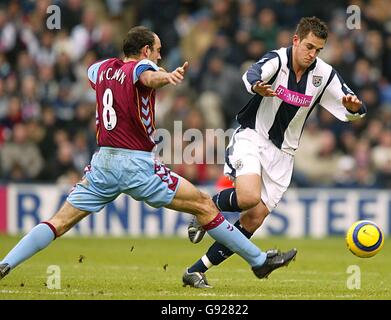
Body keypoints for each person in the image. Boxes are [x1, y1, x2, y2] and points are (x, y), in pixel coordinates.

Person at [0, 26, 297, 284]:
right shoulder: (143, 69)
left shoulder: (101, 68)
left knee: (59, 222)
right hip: (136, 163)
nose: (159, 56)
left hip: (102, 163)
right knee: (204, 205)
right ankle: (259, 262)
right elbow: (146, 76)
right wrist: (165, 77)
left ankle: (7, 263)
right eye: (157, 51)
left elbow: (94, 74)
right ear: (145, 50)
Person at [184, 17, 366, 288]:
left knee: (253, 219)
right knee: (248, 197)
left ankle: (196, 271)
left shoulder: (324, 75)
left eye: (318, 50)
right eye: (308, 46)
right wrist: (258, 86)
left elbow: (356, 110)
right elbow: (251, 76)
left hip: (284, 155)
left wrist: (353, 108)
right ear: (295, 40)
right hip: (253, 137)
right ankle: (202, 208)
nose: (312, 54)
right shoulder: (278, 60)